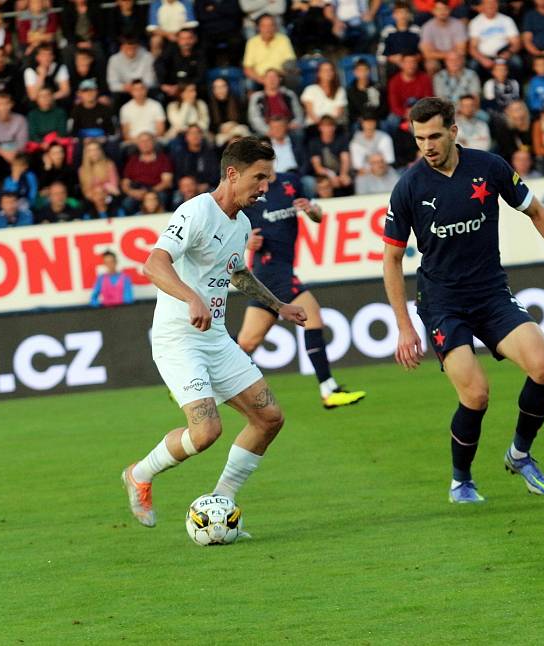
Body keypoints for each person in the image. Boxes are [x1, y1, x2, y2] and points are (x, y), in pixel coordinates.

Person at [382, 97, 544, 503]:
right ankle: (461, 479)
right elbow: (392, 259)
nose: (426, 145)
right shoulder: (409, 187)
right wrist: (404, 325)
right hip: (443, 303)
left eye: (434, 136)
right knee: (476, 394)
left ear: (453, 131)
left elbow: (537, 211)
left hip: (491, 293)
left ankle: (520, 453)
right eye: (419, 138)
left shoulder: (489, 167)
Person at [121, 136, 307, 529]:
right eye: (260, 178)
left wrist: (279, 306)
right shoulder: (197, 212)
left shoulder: (240, 222)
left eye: (268, 178)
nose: (265, 187)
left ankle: (221, 502)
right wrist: (192, 298)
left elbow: (237, 273)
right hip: (178, 339)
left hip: (216, 339)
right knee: (206, 431)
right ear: (232, 174)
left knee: (270, 418)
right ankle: (139, 474)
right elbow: (153, 264)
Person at [238, 168, 366, 408]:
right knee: (312, 315)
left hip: (278, 271)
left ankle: (197, 379)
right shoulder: (250, 194)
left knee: (247, 343)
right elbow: (231, 228)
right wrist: (246, 241)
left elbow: (317, 215)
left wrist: (312, 210)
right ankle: (328, 389)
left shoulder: (291, 182)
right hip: (270, 270)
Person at [468, 0, 522, 78]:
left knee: (517, 62)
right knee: (473, 65)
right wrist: (482, 59)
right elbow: (472, 47)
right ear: (482, 6)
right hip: (484, 56)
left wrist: (509, 53)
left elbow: (516, 43)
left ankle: (516, 87)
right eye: (488, 3)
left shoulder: (507, 20)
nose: (491, 6)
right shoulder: (475, 22)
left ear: (498, 5)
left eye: (494, 3)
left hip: (504, 55)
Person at [242, 14, 296, 86]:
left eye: (271, 25)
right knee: (248, 83)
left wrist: (275, 77)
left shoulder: (283, 39)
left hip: (279, 77)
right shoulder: (252, 42)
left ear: (275, 27)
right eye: (264, 26)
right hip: (260, 78)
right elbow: (247, 68)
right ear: (258, 27)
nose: (268, 29)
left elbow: (290, 62)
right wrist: (263, 80)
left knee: (293, 78)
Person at [419, 0, 467, 75]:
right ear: (433, 11)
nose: (442, 12)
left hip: (455, 57)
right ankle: (435, 86)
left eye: (445, 9)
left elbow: (461, 50)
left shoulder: (458, 25)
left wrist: (451, 58)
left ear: (450, 10)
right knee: (431, 65)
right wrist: (447, 55)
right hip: (438, 59)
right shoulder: (427, 27)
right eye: (439, 9)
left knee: (459, 60)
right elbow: (427, 53)